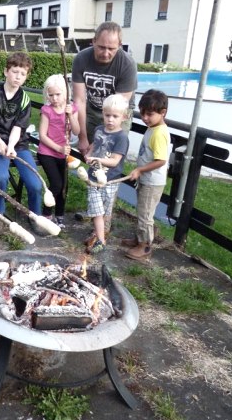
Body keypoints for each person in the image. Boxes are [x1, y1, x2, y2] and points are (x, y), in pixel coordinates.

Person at [0, 52, 43, 235]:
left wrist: (12, 146)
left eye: (23, 74)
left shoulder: (24, 99)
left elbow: (18, 128)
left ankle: (36, 216)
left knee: (35, 183)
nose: (18, 77)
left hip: (18, 145)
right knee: (1, 177)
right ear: (6, 71)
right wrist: (0, 144)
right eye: (15, 72)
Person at [72, 21, 137, 156]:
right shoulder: (81, 59)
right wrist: (82, 138)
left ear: (119, 45)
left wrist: (98, 142)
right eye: (101, 47)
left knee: (110, 152)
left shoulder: (127, 64)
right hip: (92, 106)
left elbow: (117, 108)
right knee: (88, 152)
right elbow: (79, 100)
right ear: (94, 41)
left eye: (111, 49)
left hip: (119, 111)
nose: (105, 53)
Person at [123, 89, 170, 260]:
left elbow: (161, 160)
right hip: (146, 179)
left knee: (145, 214)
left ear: (162, 112)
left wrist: (140, 170)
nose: (144, 118)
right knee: (142, 210)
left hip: (152, 182)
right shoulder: (152, 127)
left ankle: (145, 246)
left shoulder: (159, 133)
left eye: (149, 114)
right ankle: (139, 238)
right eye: (142, 113)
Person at [83, 95, 129, 254]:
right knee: (96, 209)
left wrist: (97, 159)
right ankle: (101, 241)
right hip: (93, 178)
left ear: (123, 117)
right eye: (107, 115)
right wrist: (89, 153)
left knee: (104, 211)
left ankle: (98, 234)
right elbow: (94, 144)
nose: (110, 119)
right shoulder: (98, 129)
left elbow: (115, 161)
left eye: (115, 116)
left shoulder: (121, 137)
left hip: (110, 180)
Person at [37, 74, 80, 229]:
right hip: (47, 152)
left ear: (65, 93)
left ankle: (60, 215)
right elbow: (42, 135)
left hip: (64, 154)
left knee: (64, 186)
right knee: (56, 183)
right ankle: (46, 213)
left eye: (58, 94)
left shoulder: (72, 108)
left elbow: (76, 130)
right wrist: (58, 148)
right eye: (51, 95)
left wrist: (70, 115)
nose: (54, 98)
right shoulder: (47, 110)